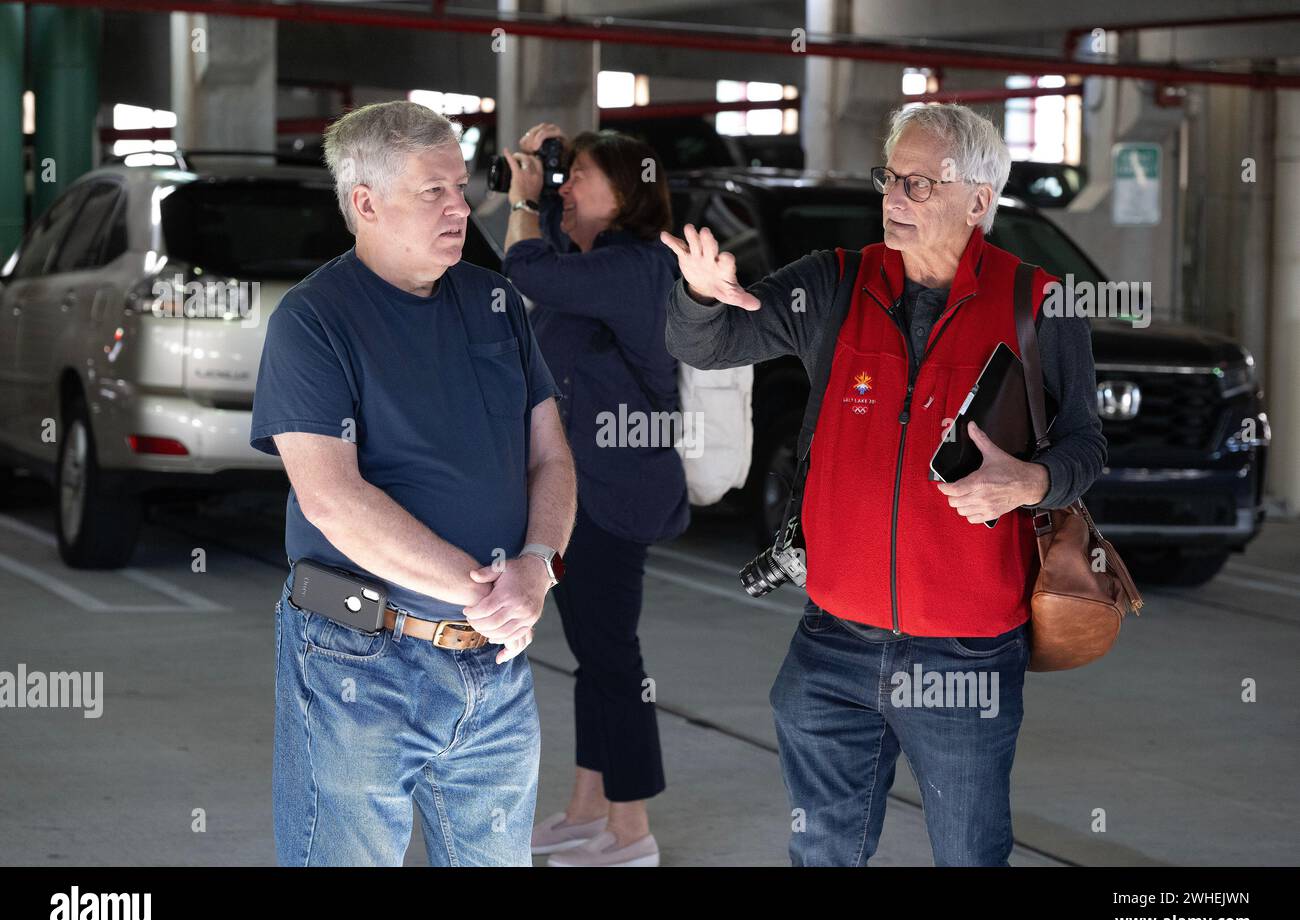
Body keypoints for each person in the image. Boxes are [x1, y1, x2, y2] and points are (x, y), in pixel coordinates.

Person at [662, 102, 1106, 866]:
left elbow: (1087, 447)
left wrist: (1027, 481)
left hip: (965, 655)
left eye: (918, 184)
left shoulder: (1038, 302)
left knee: (970, 852)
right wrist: (701, 297)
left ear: (978, 201)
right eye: (889, 179)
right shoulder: (836, 281)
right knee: (824, 852)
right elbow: (714, 346)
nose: (894, 199)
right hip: (832, 643)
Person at [249, 100, 576, 866]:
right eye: (434, 191)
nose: (462, 207)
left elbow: (551, 459)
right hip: (359, 661)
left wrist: (537, 567)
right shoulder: (313, 321)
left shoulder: (496, 303)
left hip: (493, 664)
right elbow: (334, 500)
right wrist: (486, 591)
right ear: (365, 202)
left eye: (460, 187)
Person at [500, 123, 689, 867]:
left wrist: (523, 200)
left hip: (616, 494)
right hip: (580, 495)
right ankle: (586, 811)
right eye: (567, 173)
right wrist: (544, 184)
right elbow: (547, 255)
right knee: (593, 655)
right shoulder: (595, 264)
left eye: (581, 174)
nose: (567, 185)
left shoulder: (636, 266)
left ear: (628, 191)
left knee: (614, 658)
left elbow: (526, 268)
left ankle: (631, 828)